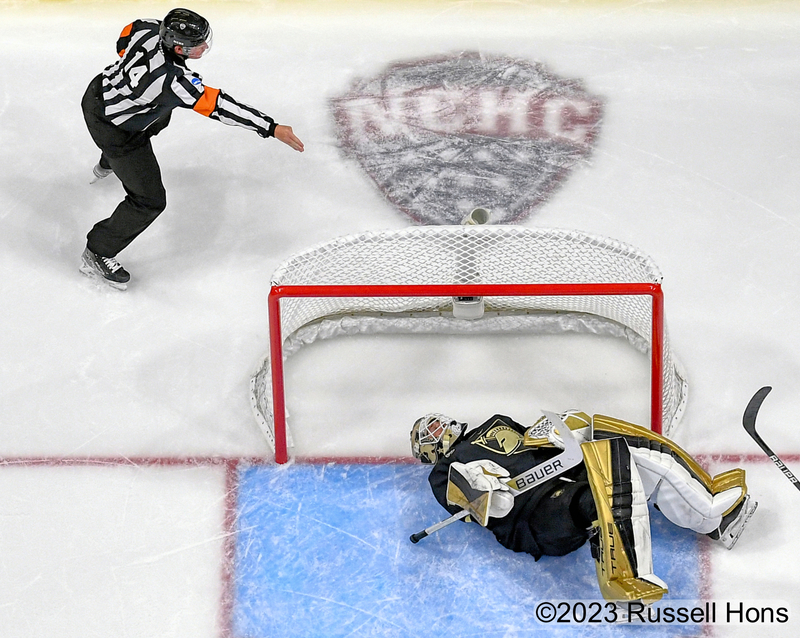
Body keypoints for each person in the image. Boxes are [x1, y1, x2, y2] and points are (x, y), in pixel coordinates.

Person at [410, 410, 757, 604]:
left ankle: (713, 515)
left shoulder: (493, 423)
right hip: (536, 519)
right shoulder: (442, 474)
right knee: (606, 485)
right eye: (428, 432)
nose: (437, 428)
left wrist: (559, 429)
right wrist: (483, 492)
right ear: (427, 451)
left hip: (563, 477)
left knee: (618, 442)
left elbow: (533, 439)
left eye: (435, 422)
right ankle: (625, 583)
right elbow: (485, 507)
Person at [80, 7, 305, 289]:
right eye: (198, 45)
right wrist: (271, 127)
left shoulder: (148, 28)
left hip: (97, 92)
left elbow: (125, 37)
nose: (205, 46)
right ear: (178, 47)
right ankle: (98, 251)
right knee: (149, 201)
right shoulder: (176, 83)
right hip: (116, 130)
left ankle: (108, 162)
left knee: (160, 117)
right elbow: (221, 107)